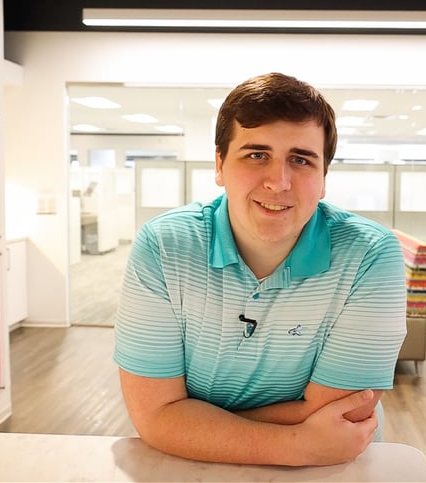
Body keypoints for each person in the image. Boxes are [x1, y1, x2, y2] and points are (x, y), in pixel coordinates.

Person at [114, 72, 407, 467]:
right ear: (219, 165)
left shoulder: (369, 254)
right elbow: (153, 415)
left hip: (332, 466)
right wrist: (297, 443)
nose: (278, 181)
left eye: (301, 160)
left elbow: (345, 416)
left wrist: (183, 422)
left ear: (323, 180)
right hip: (213, 465)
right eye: (256, 155)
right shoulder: (165, 247)